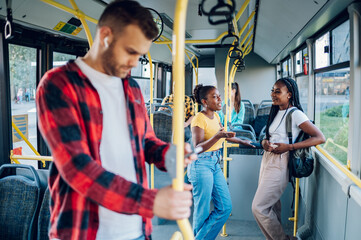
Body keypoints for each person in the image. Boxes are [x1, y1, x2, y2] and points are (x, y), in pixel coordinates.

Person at [36, 1, 195, 240]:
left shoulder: (132, 88)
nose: (134, 62)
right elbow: (77, 167)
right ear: (106, 36)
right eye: (131, 51)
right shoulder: (59, 84)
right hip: (82, 230)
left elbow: (145, 141)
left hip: (136, 230)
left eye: (140, 56)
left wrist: (168, 155)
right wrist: (151, 201)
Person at [252, 77, 325, 240]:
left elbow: (320, 137)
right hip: (267, 159)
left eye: (278, 91)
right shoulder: (277, 111)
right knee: (271, 206)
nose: (273, 94)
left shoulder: (296, 114)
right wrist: (264, 142)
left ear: (290, 94)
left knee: (259, 207)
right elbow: (270, 135)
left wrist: (289, 147)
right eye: (272, 90)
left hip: (280, 161)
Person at [187, 84, 254, 239]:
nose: (219, 99)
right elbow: (197, 147)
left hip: (215, 163)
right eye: (215, 97)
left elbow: (224, 134)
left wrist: (243, 141)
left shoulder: (216, 116)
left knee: (225, 207)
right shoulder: (199, 118)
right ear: (204, 101)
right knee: (202, 212)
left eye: (219, 96)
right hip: (201, 164)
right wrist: (217, 137)